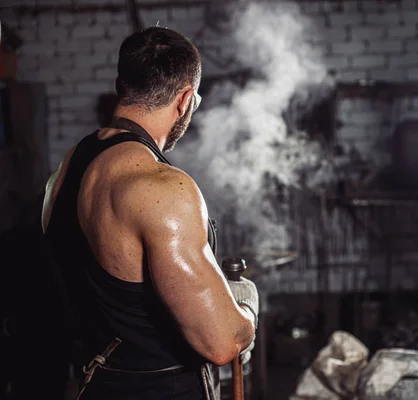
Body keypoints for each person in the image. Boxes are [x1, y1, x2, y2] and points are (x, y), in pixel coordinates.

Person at [42, 27, 258, 400]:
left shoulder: (66, 168)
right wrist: (247, 312)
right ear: (186, 99)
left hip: (92, 388)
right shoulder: (162, 188)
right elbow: (221, 343)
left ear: (120, 85)